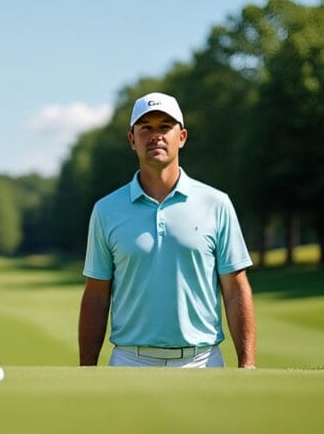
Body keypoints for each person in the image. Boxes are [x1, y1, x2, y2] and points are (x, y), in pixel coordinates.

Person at [78, 92, 256, 368]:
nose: (155, 135)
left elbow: (235, 289)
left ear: (182, 137)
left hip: (203, 361)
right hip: (129, 360)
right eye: (145, 128)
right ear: (132, 140)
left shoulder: (216, 203)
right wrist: (87, 370)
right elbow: (97, 295)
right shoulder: (106, 210)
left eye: (165, 127)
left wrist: (247, 363)